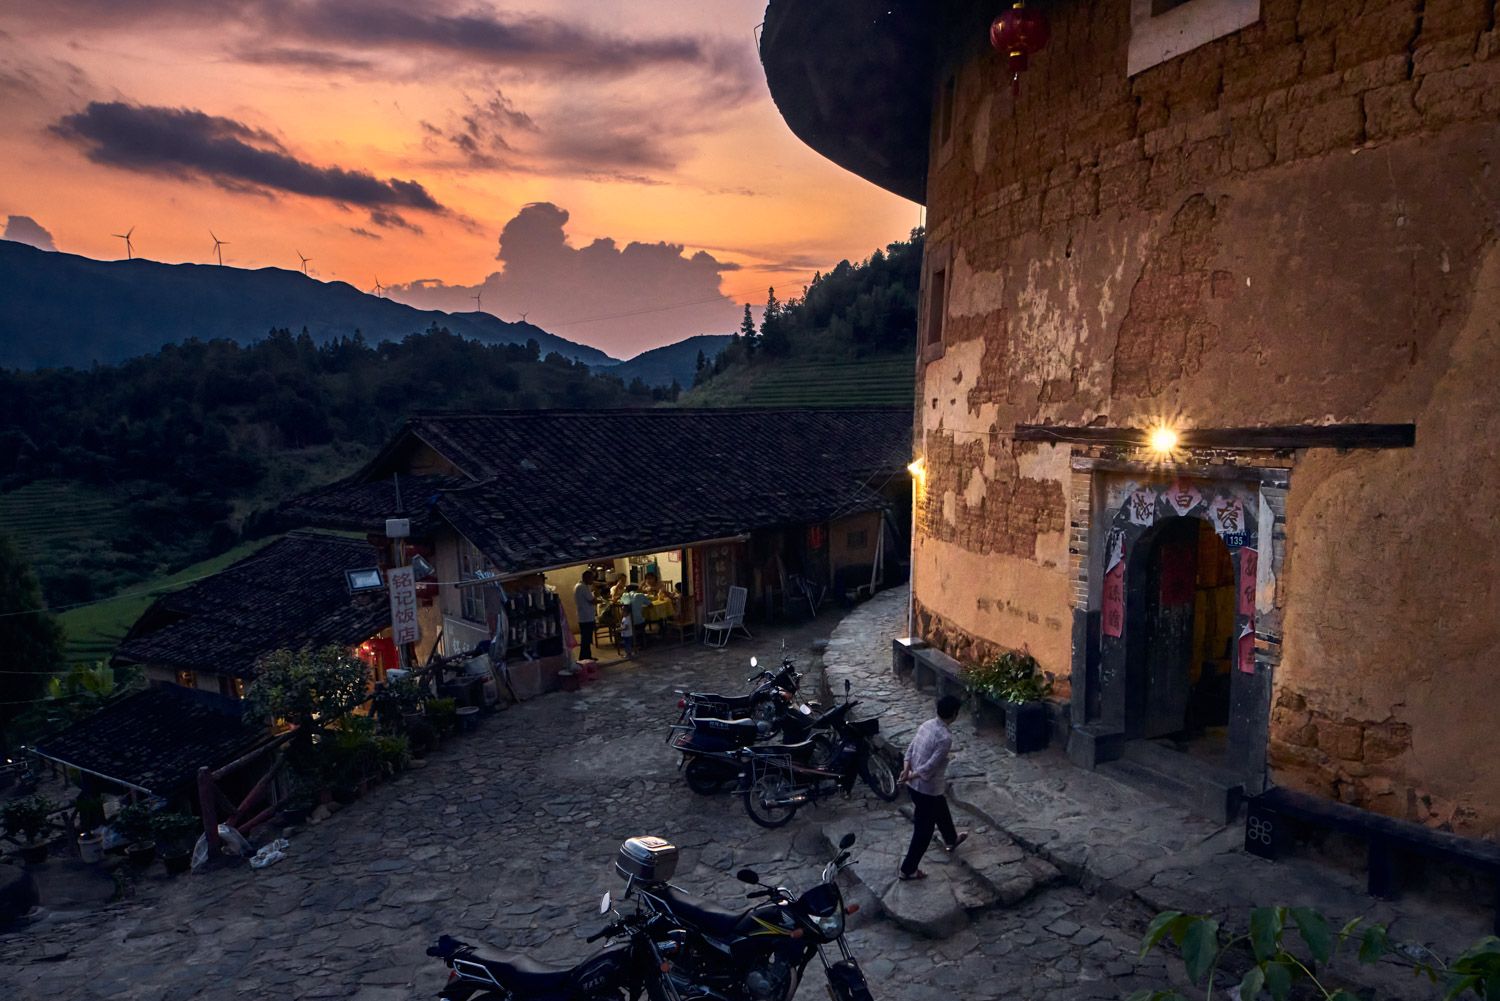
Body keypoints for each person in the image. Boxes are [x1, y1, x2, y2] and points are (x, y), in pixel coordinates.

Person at [897, 694, 968, 881]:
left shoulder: (926, 724)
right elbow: (929, 767)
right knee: (924, 831)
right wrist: (911, 775)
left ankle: (951, 839)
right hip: (925, 788)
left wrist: (906, 772)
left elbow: (910, 750)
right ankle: (908, 869)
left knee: (941, 805)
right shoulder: (945, 738)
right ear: (954, 714)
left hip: (917, 786)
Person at [573, 570, 597, 661]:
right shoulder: (582, 587)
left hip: (584, 616)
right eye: (591, 578)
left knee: (586, 638)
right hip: (586, 617)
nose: (592, 580)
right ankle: (584, 657)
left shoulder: (580, 586)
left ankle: (587, 656)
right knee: (586, 639)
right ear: (586, 578)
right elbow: (592, 600)